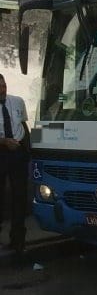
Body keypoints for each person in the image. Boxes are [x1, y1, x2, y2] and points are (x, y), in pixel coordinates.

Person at [0, 73, 30, 255]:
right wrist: (3, 142)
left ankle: (18, 240)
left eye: (3, 86)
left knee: (20, 196)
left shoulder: (17, 101)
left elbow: (24, 126)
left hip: (18, 152)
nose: (2, 90)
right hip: (1, 152)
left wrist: (28, 150)